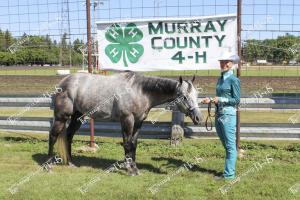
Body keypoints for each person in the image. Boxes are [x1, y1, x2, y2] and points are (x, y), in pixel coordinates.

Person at [201, 52, 240, 180]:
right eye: (221, 61)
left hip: (228, 114)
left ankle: (229, 175)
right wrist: (211, 99)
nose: (223, 64)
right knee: (226, 144)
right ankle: (229, 170)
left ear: (232, 64)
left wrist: (220, 99)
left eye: (226, 61)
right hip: (218, 114)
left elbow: (236, 100)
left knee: (229, 145)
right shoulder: (220, 78)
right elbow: (218, 98)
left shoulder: (234, 80)